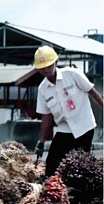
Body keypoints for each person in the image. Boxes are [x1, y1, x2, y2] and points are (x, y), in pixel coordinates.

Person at [34, 45, 103, 178]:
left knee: (79, 166)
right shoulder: (43, 89)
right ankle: (55, 195)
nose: (46, 70)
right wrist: (41, 141)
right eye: (42, 68)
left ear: (56, 62)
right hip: (64, 129)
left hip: (84, 127)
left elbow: (93, 92)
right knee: (51, 166)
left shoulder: (72, 74)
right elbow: (46, 117)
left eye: (49, 66)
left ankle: (80, 196)